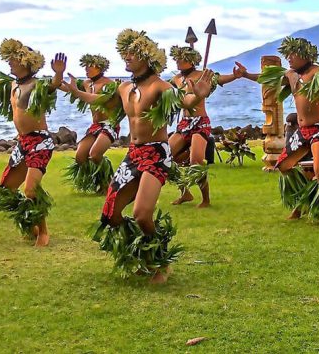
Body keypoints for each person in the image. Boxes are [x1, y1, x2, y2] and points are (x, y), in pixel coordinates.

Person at [64, 29, 212, 283]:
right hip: (133, 155)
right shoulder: (124, 87)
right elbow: (101, 100)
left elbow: (184, 102)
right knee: (110, 214)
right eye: (125, 52)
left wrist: (197, 94)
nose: (126, 56)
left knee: (142, 213)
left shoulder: (159, 86)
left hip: (156, 153)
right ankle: (141, 250)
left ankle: (159, 262)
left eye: (132, 53)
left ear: (147, 57)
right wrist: (75, 91)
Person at [234, 37, 319, 223]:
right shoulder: (290, 74)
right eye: (287, 55)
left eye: (292, 54)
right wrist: (245, 75)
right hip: (303, 130)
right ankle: (302, 202)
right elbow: (267, 80)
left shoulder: (318, 71)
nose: (289, 58)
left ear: (305, 54)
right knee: (284, 166)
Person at [0, 39, 64, 247]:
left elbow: (53, 85)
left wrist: (58, 73)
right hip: (22, 142)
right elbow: (1, 85)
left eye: (13, 60)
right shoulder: (14, 84)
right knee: (6, 189)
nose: (9, 63)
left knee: (31, 190)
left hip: (39, 141)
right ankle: (30, 224)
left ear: (25, 63)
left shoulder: (37, 85)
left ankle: (43, 231)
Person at [167, 44, 240, 208]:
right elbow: (162, 90)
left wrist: (235, 76)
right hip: (184, 123)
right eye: (176, 58)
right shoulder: (176, 78)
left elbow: (219, 79)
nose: (177, 61)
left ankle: (205, 199)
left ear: (191, 60)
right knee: (165, 156)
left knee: (196, 161)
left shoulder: (203, 75)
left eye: (181, 58)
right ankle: (185, 192)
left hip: (200, 122)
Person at [61, 54, 118, 194]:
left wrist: (76, 91)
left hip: (109, 124)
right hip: (95, 126)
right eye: (85, 66)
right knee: (80, 156)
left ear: (99, 67)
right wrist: (56, 81)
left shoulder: (109, 84)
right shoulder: (87, 83)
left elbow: (98, 100)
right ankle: (99, 182)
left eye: (89, 66)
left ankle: (110, 183)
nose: (86, 69)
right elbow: (70, 89)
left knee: (95, 154)